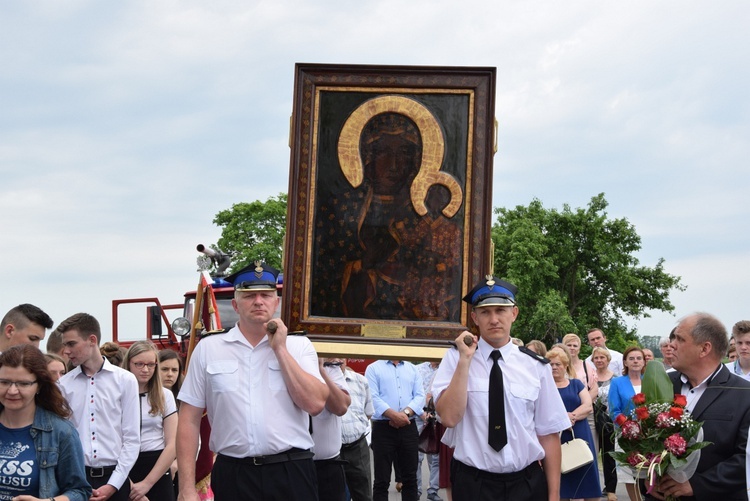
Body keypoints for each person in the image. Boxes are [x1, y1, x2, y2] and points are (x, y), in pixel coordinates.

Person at [176, 262, 328, 501]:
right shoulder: (208, 348)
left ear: (276, 302)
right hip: (233, 473)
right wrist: (186, 488)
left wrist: (280, 349)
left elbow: (315, 404)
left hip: (291, 471)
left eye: (266, 295)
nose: (259, 301)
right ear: (235, 305)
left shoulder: (299, 346)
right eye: (249, 296)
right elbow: (189, 420)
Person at [432, 276, 570, 501]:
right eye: (485, 312)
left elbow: (549, 434)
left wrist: (553, 496)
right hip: (473, 483)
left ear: (514, 314)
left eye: (500, 310)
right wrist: (465, 361)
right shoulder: (456, 359)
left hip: (526, 482)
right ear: (475, 317)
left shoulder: (536, 366)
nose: (494, 319)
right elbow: (448, 417)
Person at [646, 313, 750, 500]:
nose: (671, 345)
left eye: (680, 339)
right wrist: (647, 476)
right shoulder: (662, 384)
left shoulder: (744, 393)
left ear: (704, 349)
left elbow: (746, 458)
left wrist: (697, 485)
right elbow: (642, 437)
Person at [58, 313, 141, 501]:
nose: (66, 351)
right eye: (65, 345)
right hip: (76, 478)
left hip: (116, 477)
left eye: (71, 344)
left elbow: (132, 438)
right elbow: (62, 439)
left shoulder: (125, 380)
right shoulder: (63, 385)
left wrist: (114, 484)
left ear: (92, 340)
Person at [0, 345, 92, 501]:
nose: (12, 391)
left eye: (23, 384)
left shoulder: (61, 432)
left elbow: (80, 491)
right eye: (4, 382)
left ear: (39, 386)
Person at [123, 341, 177, 501]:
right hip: (125, 467)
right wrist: (130, 485)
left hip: (157, 466)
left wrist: (148, 483)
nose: (145, 370)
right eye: (139, 364)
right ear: (129, 363)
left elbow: (172, 442)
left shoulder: (165, 395)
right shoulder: (117, 395)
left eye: (151, 365)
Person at [366, 359, 424, 501]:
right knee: (381, 480)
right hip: (383, 429)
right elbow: (373, 397)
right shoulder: (373, 368)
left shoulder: (412, 368)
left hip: (408, 427)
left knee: (410, 478)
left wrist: (404, 415)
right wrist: (393, 415)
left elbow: (419, 396)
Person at [547, 348, 601, 501]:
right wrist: (562, 420)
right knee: (562, 481)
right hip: (556, 436)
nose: (554, 367)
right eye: (551, 364)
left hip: (580, 434)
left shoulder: (576, 384)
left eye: (558, 364)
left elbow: (588, 405)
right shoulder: (544, 387)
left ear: (565, 366)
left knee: (587, 475)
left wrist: (570, 417)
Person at [609, 346, 646, 501]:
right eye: (631, 358)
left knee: (648, 470)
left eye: (638, 358)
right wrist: (629, 428)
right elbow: (614, 410)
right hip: (626, 434)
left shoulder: (651, 380)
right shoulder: (617, 382)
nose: (635, 361)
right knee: (629, 472)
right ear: (625, 362)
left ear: (644, 361)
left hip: (650, 434)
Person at [334, 358, 374, 501]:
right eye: (332, 355)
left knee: (363, 495)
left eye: (341, 356)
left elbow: (368, 413)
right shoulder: (319, 380)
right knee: (333, 494)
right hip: (332, 450)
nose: (337, 360)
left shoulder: (361, 381)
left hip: (357, 447)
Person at [312, 358, 351, 501]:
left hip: (328, 466)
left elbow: (341, 407)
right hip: (293, 466)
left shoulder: (329, 368)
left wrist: (321, 372)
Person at [562, 334, 598, 455]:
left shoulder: (586, 366)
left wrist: (578, 409)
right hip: (562, 414)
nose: (572, 348)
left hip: (586, 414)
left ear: (579, 348)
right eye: (569, 345)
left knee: (587, 451)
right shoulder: (558, 365)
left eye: (575, 345)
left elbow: (594, 389)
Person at [591, 346, 617, 501]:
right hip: (591, 421)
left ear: (608, 360)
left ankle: (611, 489)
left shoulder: (616, 378)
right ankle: (592, 487)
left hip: (609, 422)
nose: (599, 360)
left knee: (609, 456)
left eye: (602, 357)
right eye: (596, 358)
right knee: (592, 455)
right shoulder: (589, 376)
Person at [416, 361, 441, 501]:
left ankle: (433, 490)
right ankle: (417, 490)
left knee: (435, 456)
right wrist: (422, 413)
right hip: (419, 416)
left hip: (438, 417)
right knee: (416, 457)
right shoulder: (418, 369)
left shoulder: (447, 367)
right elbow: (414, 394)